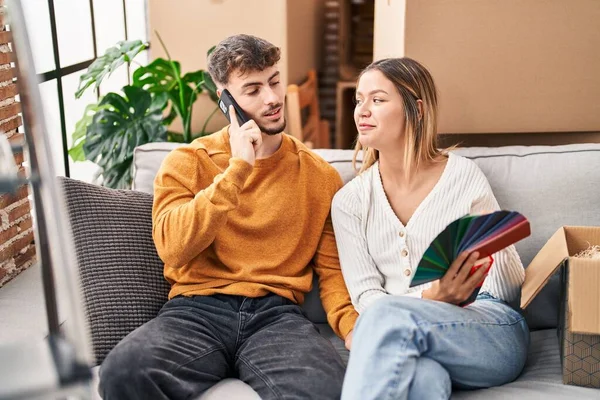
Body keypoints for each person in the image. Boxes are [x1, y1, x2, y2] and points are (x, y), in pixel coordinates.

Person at [99, 34, 357, 400]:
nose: (271, 98)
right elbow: (173, 248)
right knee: (122, 373)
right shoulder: (187, 162)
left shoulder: (319, 176)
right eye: (252, 89)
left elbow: (331, 271)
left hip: (277, 315)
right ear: (226, 99)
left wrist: (351, 327)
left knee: (326, 390)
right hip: (195, 310)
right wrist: (237, 170)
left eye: (274, 81)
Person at [331, 57, 529, 400]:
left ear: (416, 110)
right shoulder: (349, 202)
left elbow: (508, 288)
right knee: (421, 379)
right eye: (358, 100)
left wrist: (494, 248)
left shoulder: (462, 176)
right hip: (404, 336)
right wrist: (431, 298)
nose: (362, 111)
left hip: (488, 328)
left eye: (377, 100)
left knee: (381, 321)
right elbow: (365, 298)